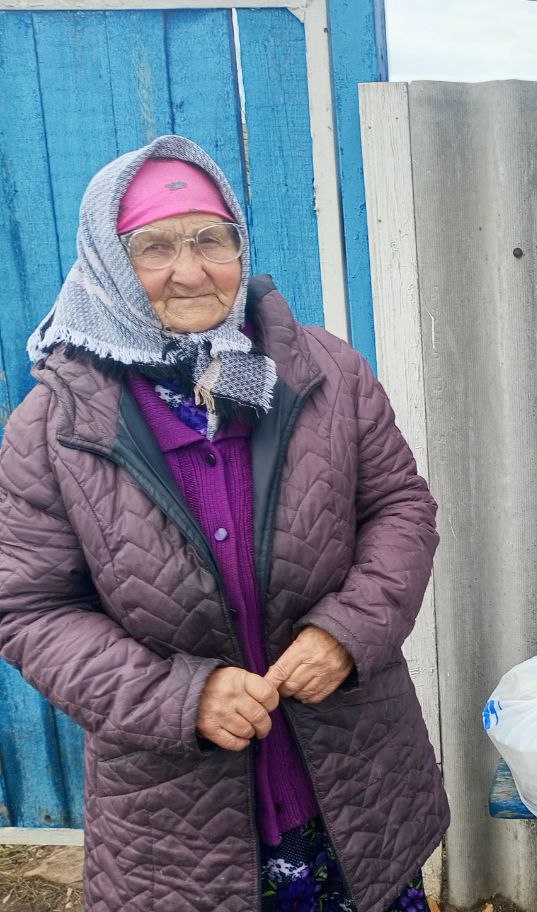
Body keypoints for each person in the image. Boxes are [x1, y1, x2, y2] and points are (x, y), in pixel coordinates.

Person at [0, 134, 448, 912]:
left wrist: (346, 631)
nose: (191, 269)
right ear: (107, 259)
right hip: (176, 826)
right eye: (154, 246)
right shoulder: (53, 427)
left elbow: (400, 510)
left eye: (212, 238)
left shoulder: (326, 374)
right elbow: (28, 607)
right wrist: (180, 697)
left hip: (355, 785)